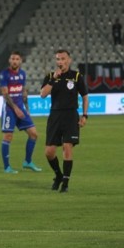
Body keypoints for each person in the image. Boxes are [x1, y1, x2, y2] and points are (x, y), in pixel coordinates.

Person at [40, 49, 89, 193]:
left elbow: (85, 96)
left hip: (70, 116)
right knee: (49, 152)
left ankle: (65, 183)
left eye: (63, 59)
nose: (60, 62)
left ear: (69, 60)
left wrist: (85, 115)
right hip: (55, 116)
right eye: (58, 59)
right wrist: (53, 79)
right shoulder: (50, 76)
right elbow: (43, 94)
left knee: (67, 149)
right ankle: (58, 175)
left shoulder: (77, 76)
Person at [0, 51, 41, 174]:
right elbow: (5, 94)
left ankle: (27, 161)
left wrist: (25, 100)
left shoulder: (22, 74)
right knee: (8, 136)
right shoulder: (4, 74)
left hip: (20, 108)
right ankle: (7, 167)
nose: (14, 61)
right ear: (9, 60)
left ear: (20, 61)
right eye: (12, 58)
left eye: (17, 59)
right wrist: (16, 109)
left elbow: (22, 90)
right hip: (9, 110)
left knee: (33, 134)